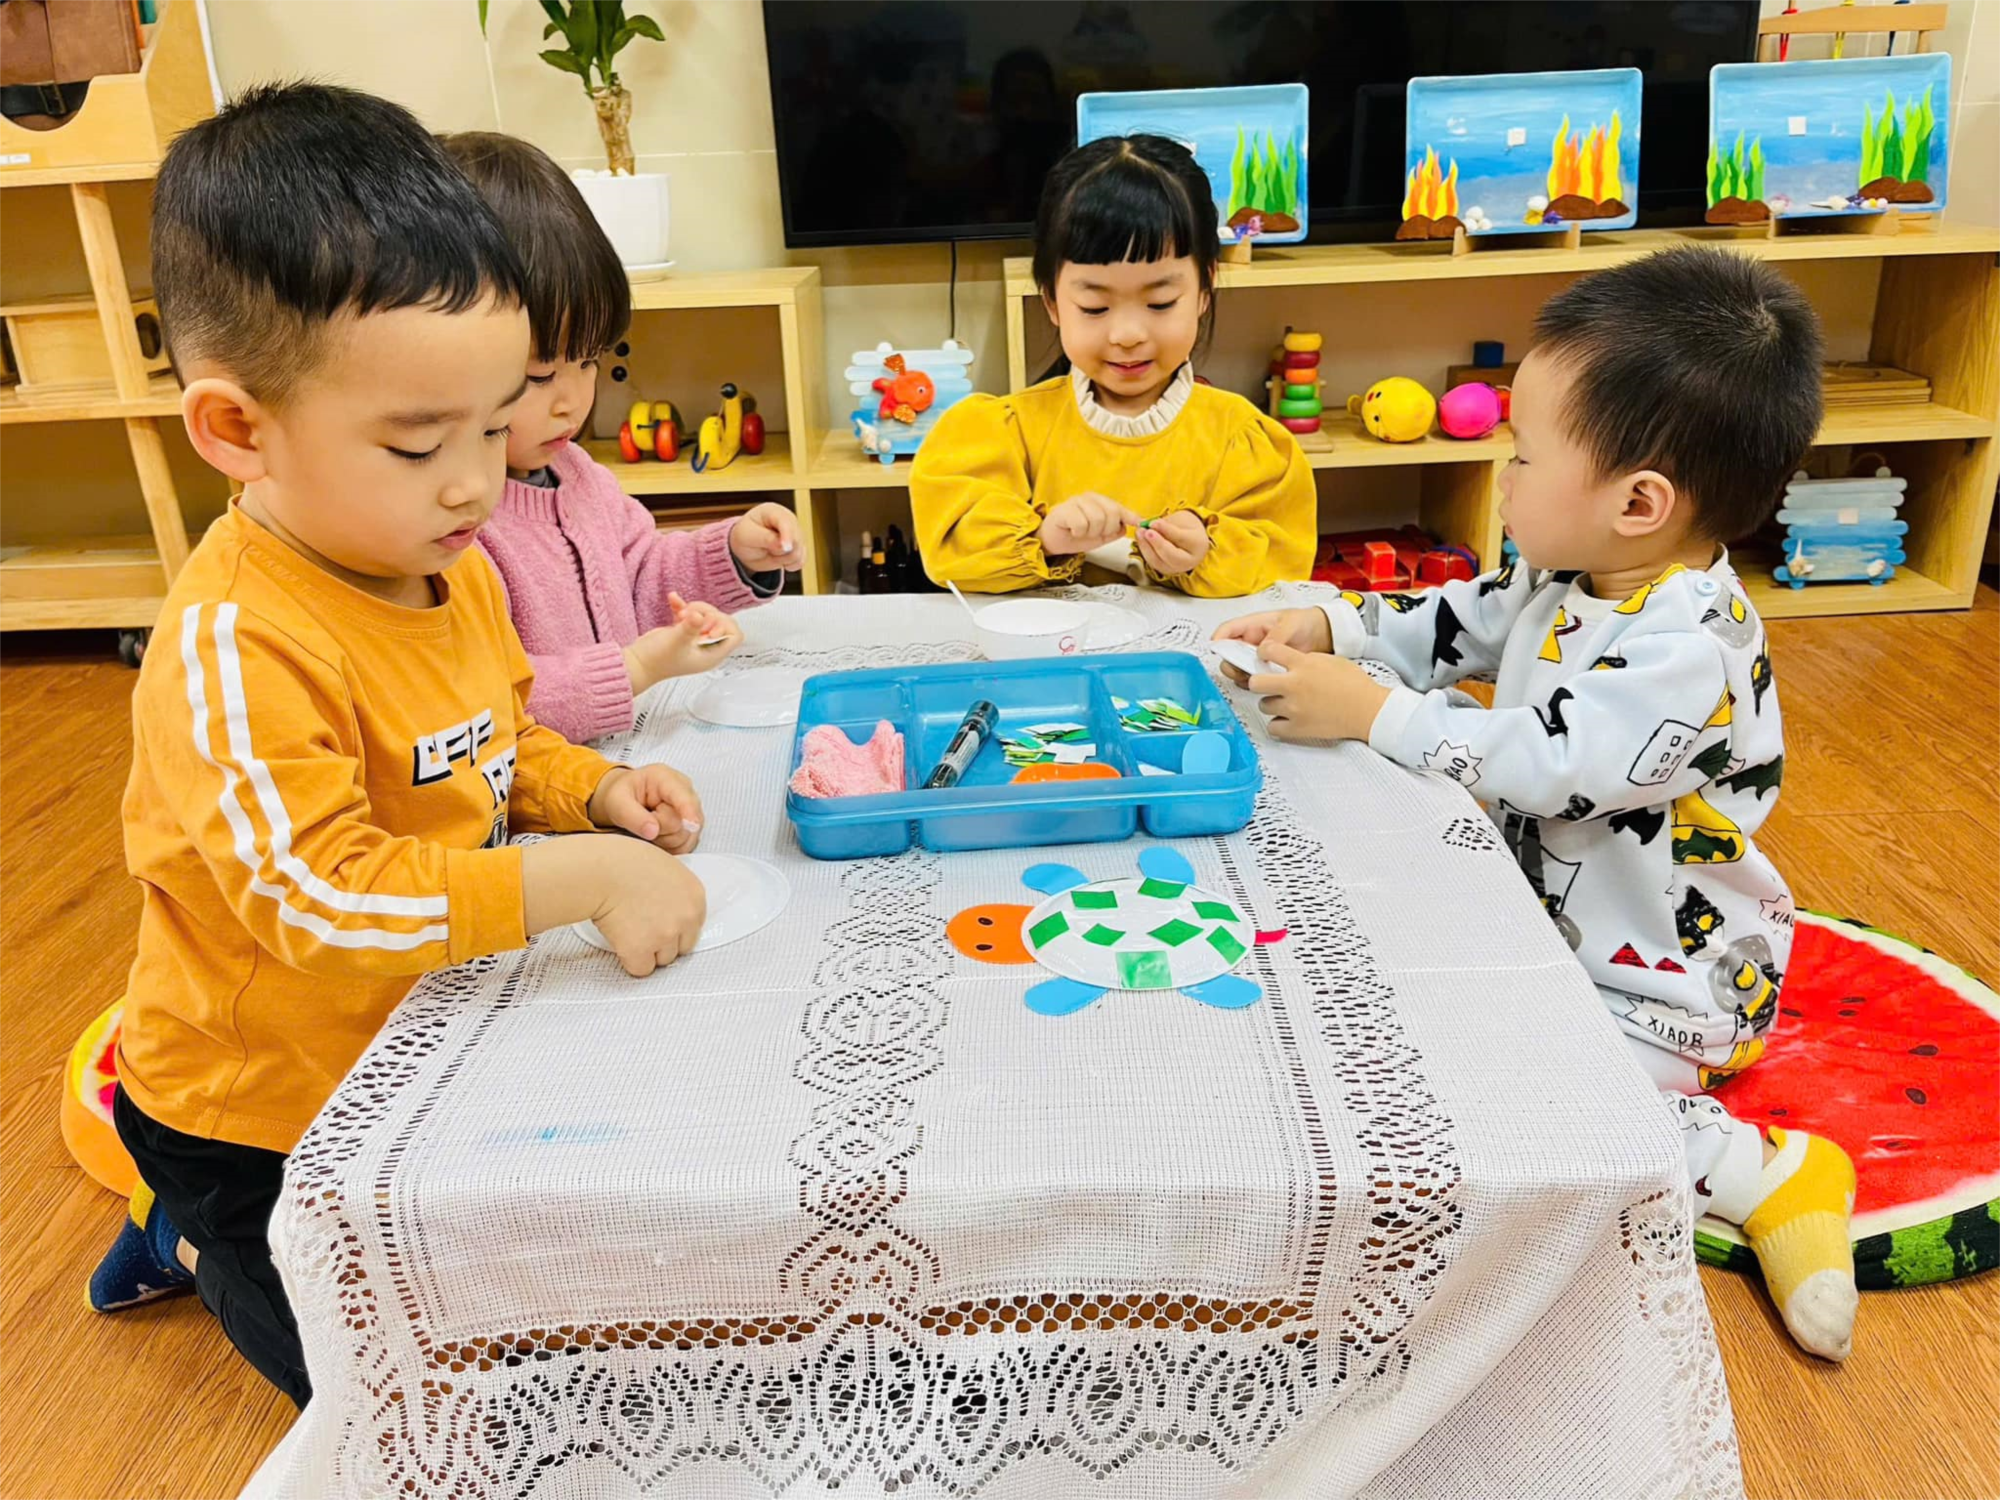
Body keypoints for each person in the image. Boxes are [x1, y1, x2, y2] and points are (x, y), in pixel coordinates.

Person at [99, 84, 714, 1404]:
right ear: (237, 430)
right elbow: (318, 900)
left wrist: (595, 791)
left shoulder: (449, 561)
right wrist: (579, 878)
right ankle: (183, 1235)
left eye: (494, 427)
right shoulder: (236, 646)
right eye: (421, 443)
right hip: (254, 1117)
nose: (477, 482)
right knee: (378, 1394)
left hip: (415, 1040)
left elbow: (500, 736)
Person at [1216, 246, 1859, 1360]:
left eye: (1522, 456)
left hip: (1656, 977)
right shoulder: (1569, 568)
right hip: (1541, 922)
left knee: (1545, 1105)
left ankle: (1767, 1175)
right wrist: (1336, 627)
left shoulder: (1688, 650)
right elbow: (1461, 622)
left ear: (1637, 503)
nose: (1502, 478)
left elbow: (1550, 760)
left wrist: (1372, 713)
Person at [442, 132, 802, 745]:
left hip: (621, 761)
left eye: (589, 362)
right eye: (539, 376)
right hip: (543, 785)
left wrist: (734, 553)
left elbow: (640, 575)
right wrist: (635, 669)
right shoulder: (454, 525)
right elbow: (487, 703)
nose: (573, 400)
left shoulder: (577, 474)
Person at [911, 134, 1315, 597]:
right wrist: (1044, 538)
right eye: (1095, 308)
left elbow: (1283, 571)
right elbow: (952, 556)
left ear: (1204, 290)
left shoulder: (1243, 443)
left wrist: (1207, 551)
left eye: (1160, 303)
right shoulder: (1007, 434)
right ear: (1052, 302)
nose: (1127, 334)